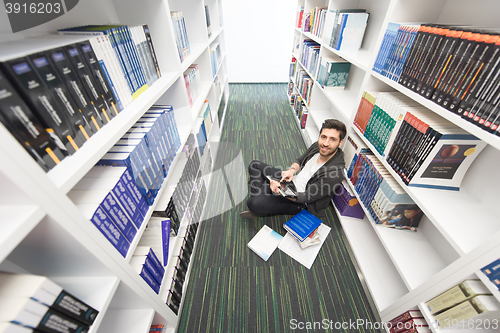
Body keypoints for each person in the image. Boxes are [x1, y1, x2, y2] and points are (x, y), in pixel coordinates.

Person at [240, 119, 346, 219]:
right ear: (320, 136)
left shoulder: (335, 173)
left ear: (340, 142)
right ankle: (265, 195)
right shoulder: (318, 146)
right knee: (254, 165)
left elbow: (306, 197)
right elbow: (299, 161)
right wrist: (291, 170)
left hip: (299, 201)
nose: (326, 143)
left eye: (333, 139)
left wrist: (280, 191)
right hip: (291, 182)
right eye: (323, 137)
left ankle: (263, 197)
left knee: (253, 203)